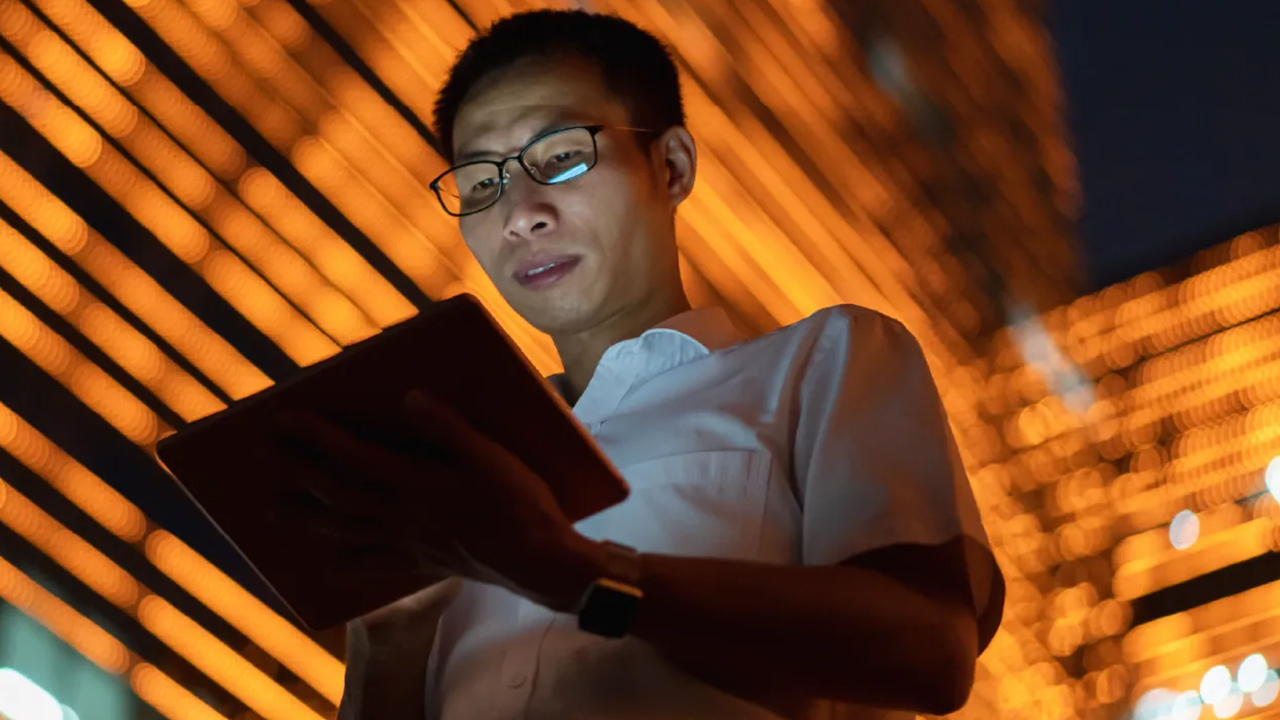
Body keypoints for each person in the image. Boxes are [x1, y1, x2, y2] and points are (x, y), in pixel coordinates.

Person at [282, 9, 1004, 720]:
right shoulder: (460, 477)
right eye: (481, 184)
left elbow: (932, 650)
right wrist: (392, 632)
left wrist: (569, 570)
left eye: (560, 157)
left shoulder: (822, 361)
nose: (518, 214)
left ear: (671, 165)